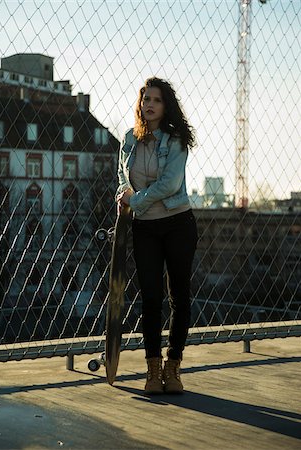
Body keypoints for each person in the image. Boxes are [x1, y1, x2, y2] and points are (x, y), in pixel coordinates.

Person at [116, 77, 198, 394]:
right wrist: (121, 196)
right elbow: (122, 178)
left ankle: (173, 367)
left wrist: (134, 200)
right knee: (150, 298)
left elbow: (170, 185)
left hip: (178, 222)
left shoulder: (175, 140)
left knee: (179, 297)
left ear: (166, 106)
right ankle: (152, 370)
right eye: (145, 99)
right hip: (145, 227)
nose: (149, 104)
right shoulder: (129, 139)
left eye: (156, 100)